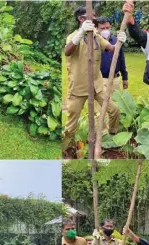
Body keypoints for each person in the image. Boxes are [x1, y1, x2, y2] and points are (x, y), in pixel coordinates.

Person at [63, 6, 127, 158]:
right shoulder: (73, 36)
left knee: (114, 111)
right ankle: (68, 149)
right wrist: (80, 33)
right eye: (92, 17)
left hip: (97, 86)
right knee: (71, 125)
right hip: (78, 88)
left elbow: (111, 48)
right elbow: (67, 51)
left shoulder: (96, 37)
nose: (95, 20)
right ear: (81, 19)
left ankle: (111, 137)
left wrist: (119, 41)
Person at [97, 16, 129, 92]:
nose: (105, 30)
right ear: (97, 28)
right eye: (102, 28)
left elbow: (121, 60)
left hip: (115, 80)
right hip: (100, 80)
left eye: (107, 28)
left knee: (115, 103)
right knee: (102, 103)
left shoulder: (116, 41)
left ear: (110, 27)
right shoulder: (95, 42)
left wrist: (125, 78)